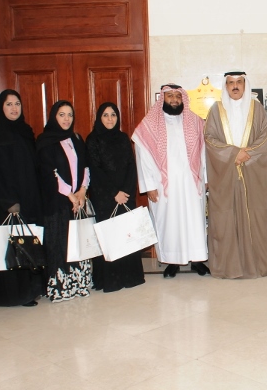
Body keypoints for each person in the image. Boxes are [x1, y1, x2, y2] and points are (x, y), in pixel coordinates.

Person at [134, 85, 209, 279]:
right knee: (169, 223)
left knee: (195, 221)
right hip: (163, 186)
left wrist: (206, 178)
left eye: (177, 96)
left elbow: (204, 152)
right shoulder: (150, 124)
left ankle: (197, 260)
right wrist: (149, 186)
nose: (174, 99)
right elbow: (143, 157)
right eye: (170, 96)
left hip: (192, 184)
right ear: (163, 98)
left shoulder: (195, 122)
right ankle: (172, 261)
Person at [0, 90, 45, 307]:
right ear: (1, 108)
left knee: (26, 244)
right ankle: (9, 295)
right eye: (9, 104)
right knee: (8, 246)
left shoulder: (25, 131)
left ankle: (28, 292)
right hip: (5, 204)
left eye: (17, 104)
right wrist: (8, 202)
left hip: (29, 198)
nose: (14, 108)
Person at [204, 71, 267, 279]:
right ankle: (227, 267)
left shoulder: (257, 109)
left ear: (245, 84)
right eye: (231, 83)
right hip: (225, 174)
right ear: (225, 86)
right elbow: (209, 138)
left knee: (254, 217)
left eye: (239, 82)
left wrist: (246, 155)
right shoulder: (216, 110)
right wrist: (234, 154)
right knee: (225, 219)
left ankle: (255, 265)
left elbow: (264, 136)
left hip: (252, 172)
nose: (235, 86)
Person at [87, 102, 145, 291]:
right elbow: (95, 170)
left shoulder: (123, 138)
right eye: (105, 115)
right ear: (99, 118)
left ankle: (130, 277)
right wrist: (114, 193)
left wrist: (125, 192)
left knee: (127, 236)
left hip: (125, 196)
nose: (110, 119)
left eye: (113, 115)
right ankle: (111, 280)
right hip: (104, 198)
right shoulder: (93, 139)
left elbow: (131, 166)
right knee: (109, 238)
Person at [36, 101, 91, 301]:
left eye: (70, 115)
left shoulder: (76, 139)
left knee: (77, 242)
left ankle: (78, 283)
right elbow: (49, 172)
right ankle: (60, 287)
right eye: (62, 114)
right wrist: (70, 195)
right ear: (54, 116)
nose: (67, 119)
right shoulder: (45, 141)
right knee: (59, 243)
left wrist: (82, 191)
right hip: (57, 202)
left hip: (77, 200)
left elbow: (86, 167)